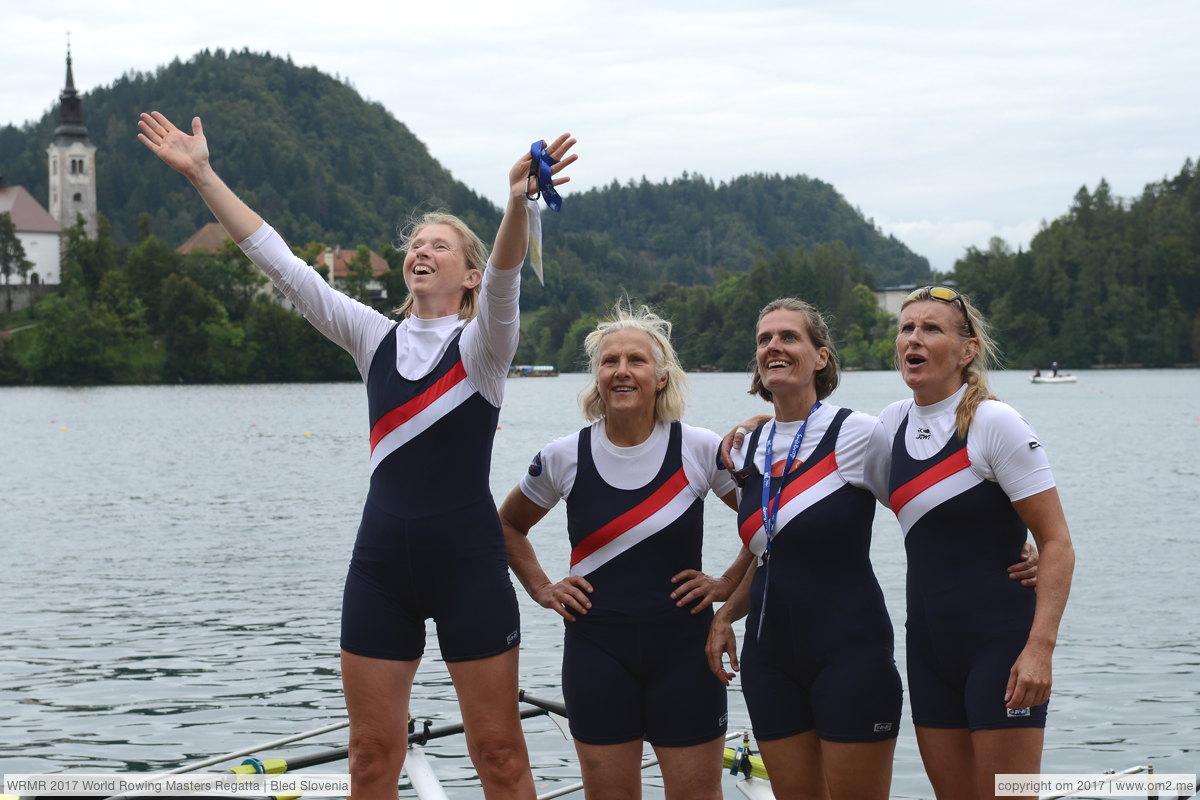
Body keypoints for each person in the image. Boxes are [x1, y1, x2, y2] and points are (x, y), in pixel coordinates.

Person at [137, 110, 577, 800]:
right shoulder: (372, 338)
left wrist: (515, 204)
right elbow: (277, 261)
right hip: (382, 572)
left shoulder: (483, 349)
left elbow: (505, 275)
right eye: (416, 245)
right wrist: (202, 174)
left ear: (467, 276)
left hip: (469, 567)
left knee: (499, 753)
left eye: (441, 246)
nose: (421, 252)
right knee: (372, 757)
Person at [498, 304, 746, 800]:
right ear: (597, 377)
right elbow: (507, 524)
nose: (622, 371)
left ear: (661, 377)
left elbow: (768, 524)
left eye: (636, 360)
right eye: (610, 362)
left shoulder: (700, 448)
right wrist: (543, 588)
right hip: (597, 653)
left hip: (685, 653)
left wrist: (727, 583)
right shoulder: (563, 455)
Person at [879, 285, 1074, 799]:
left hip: (1002, 648)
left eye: (931, 329)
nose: (913, 339)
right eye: (907, 328)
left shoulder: (995, 424)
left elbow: (1056, 542)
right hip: (928, 650)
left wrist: (1040, 651)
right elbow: (821, 467)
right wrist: (759, 426)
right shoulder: (891, 423)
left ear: (967, 351)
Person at [706, 298, 902, 800]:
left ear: (821, 358)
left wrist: (1016, 543)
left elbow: (927, 509)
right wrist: (727, 611)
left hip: (851, 653)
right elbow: (772, 548)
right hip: (769, 661)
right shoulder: (746, 448)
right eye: (764, 339)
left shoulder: (859, 434)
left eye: (789, 337)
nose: (773, 345)